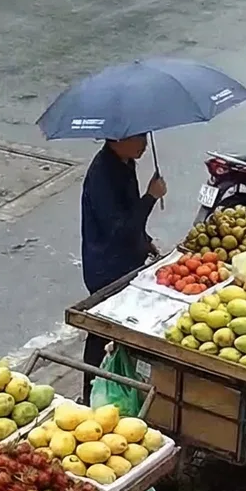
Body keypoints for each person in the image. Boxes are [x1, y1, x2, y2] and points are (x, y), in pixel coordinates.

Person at [81, 133, 166, 392]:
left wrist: (145, 240)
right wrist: (151, 197)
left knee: (120, 329)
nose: (145, 144)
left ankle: (120, 383)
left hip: (127, 258)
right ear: (118, 139)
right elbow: (119, 229)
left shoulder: (126, 163)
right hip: (107, 266)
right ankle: (90, 389)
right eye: (139, 137)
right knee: (101, 329)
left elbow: (129, 214)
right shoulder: (102, 175)